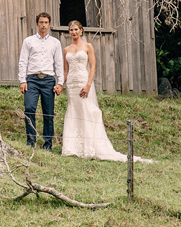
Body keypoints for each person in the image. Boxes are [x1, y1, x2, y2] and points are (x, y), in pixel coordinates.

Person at [62, 20, 153, 163]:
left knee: (87, 111)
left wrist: (88, 85)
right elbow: (65, 70)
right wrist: (60, 84)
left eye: (75, 29)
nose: (73, 32)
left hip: (83, 82)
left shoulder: (88, 46)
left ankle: (89, 146)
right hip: (71, 85)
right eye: (71, 30)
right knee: (73, 111)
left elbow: (92, 67)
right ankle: (73, 147)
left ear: (81, 31)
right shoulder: (66, 49)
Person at [18, 12, 64, 150]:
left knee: (48, 113)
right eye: (41, 22)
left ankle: (48, 145)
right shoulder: (29, 41)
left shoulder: (55, 43)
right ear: (37, 24)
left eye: (46, 23)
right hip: (32, 80)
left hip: (48, 80)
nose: (43, 25)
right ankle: (31, 142)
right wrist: (22, 80)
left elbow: (59, 63)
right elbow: (23, 61)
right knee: (29, 108)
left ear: (49, 25)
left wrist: (60, 83)